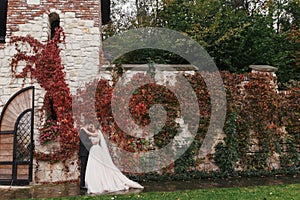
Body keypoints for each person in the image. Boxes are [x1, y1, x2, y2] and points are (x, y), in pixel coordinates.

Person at [82, 123, 144, 194]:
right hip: (93, 151)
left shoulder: (97, 132)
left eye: (92, 126)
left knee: (99, 166)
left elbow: (93, 136)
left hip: (97, 150)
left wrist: (83, 129)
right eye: (90, 126)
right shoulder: (91, 133)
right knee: (93, 167)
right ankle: (93, 182)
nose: (91, 127)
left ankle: (102, 183)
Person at [78, 124, 93, 189]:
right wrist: (92, 144)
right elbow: (85, 142)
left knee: (86, 169)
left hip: (86, 153)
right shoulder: (83, 132)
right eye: (90, 126)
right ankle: (82, 184)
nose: (91, 127)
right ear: (88, 124)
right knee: (83, 169)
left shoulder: (85, 131)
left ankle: (85, 183)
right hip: (83, 153)